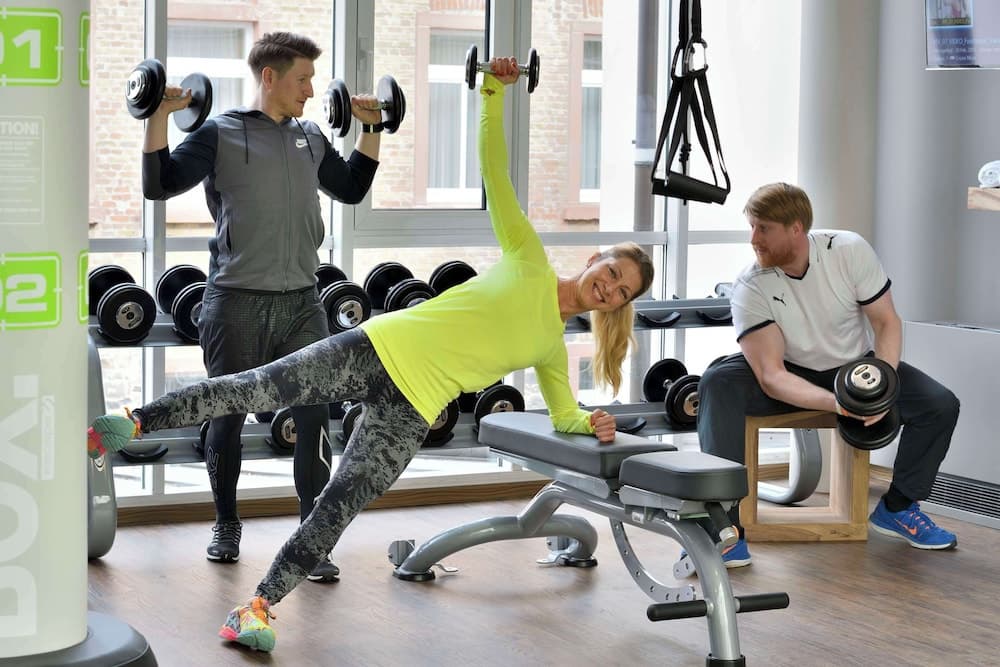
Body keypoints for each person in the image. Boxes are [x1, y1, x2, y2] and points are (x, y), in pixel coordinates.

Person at [87, 56, 654, 652]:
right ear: (594, 259)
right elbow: (494, 167)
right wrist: (493, 90)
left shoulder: (551, 349)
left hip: (412, 412)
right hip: (377, 347)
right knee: (250, 387)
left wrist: (591, 421)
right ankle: (128, 424)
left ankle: (255, 609)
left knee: (337, 507)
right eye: (612, 273)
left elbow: (563, 414)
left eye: (622, 293)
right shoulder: (528, 257)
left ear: (618, 306)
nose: (610, 289)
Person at [140, 32, 385, 580]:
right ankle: (226, 523)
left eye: (313, 80)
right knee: (225, 416)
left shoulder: (310, 136)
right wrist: (157, 114)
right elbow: (159, 184)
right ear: (269, 77)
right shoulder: (217, 133)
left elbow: (351, 189)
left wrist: (371, 129)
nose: (311, 90)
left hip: (302, 301)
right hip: (235, 301)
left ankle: (311, 539)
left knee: (314, 417)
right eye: (302, 79)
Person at [677, 182, 959, 575]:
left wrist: (879, 388)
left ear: (796, 228)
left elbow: (886, 322)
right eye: (752, 227)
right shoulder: (751, 285)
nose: (753, 239)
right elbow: (771, 375)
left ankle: (898, 508)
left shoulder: (847, 250)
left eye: (763, 228)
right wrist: (838, 404)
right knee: (718, 383)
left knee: (939, 404)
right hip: (789, 370)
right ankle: (724, 529)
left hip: (853, 367)